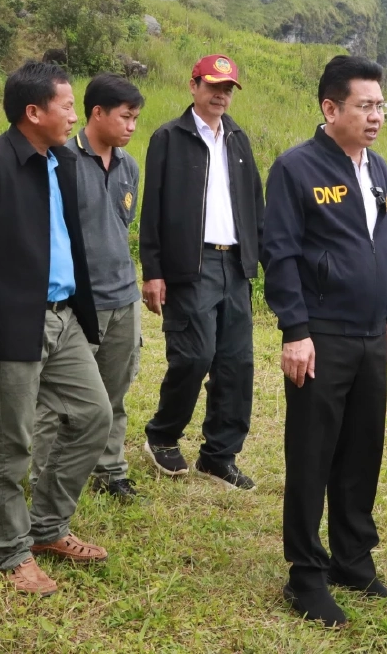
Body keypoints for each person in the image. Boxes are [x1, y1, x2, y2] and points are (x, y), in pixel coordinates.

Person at [0, 61, 113, 597]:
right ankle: (8, 551)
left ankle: (48, 528)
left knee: (93, 416)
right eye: (66, 105)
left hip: (63, 318)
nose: (74, 114)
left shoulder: (63, 162)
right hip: (12, 325)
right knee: (13, 442)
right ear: (33, 112)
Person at [262, 55, 387, 627]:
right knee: (313, 453)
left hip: (372, 336)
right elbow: (281, 253)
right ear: (330, 108)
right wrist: (295, 331)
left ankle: (352, 557)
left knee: (361, 450)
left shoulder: (379, 170)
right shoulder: (296, 168)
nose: (376, 117)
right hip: (320, 336)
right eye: (365, 106)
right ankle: (305, 573)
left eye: (380, 106)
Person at [138, 54, 265, 490]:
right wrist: (152, 270)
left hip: (236, 264)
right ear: (193, 86)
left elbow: (254, 204)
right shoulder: (169, 138)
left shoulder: (239, 140)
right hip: (191, 264)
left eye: (228, 88)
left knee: (237, 362)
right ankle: (163, 435)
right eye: (213, 85)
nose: (220, 95)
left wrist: (260, 258)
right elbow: (151, 209)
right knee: (194, 355)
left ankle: (219, 454)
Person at [32, 74, 146, 501]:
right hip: (79, 300)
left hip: (124, 297)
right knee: (62, 399)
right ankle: (44, 474)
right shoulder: (61, 160)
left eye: (136, 118)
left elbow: (122, 225)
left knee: (115, 392)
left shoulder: (129, 165)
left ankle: (110, 469)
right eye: (126, 117)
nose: (132, 126)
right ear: (96, 113)